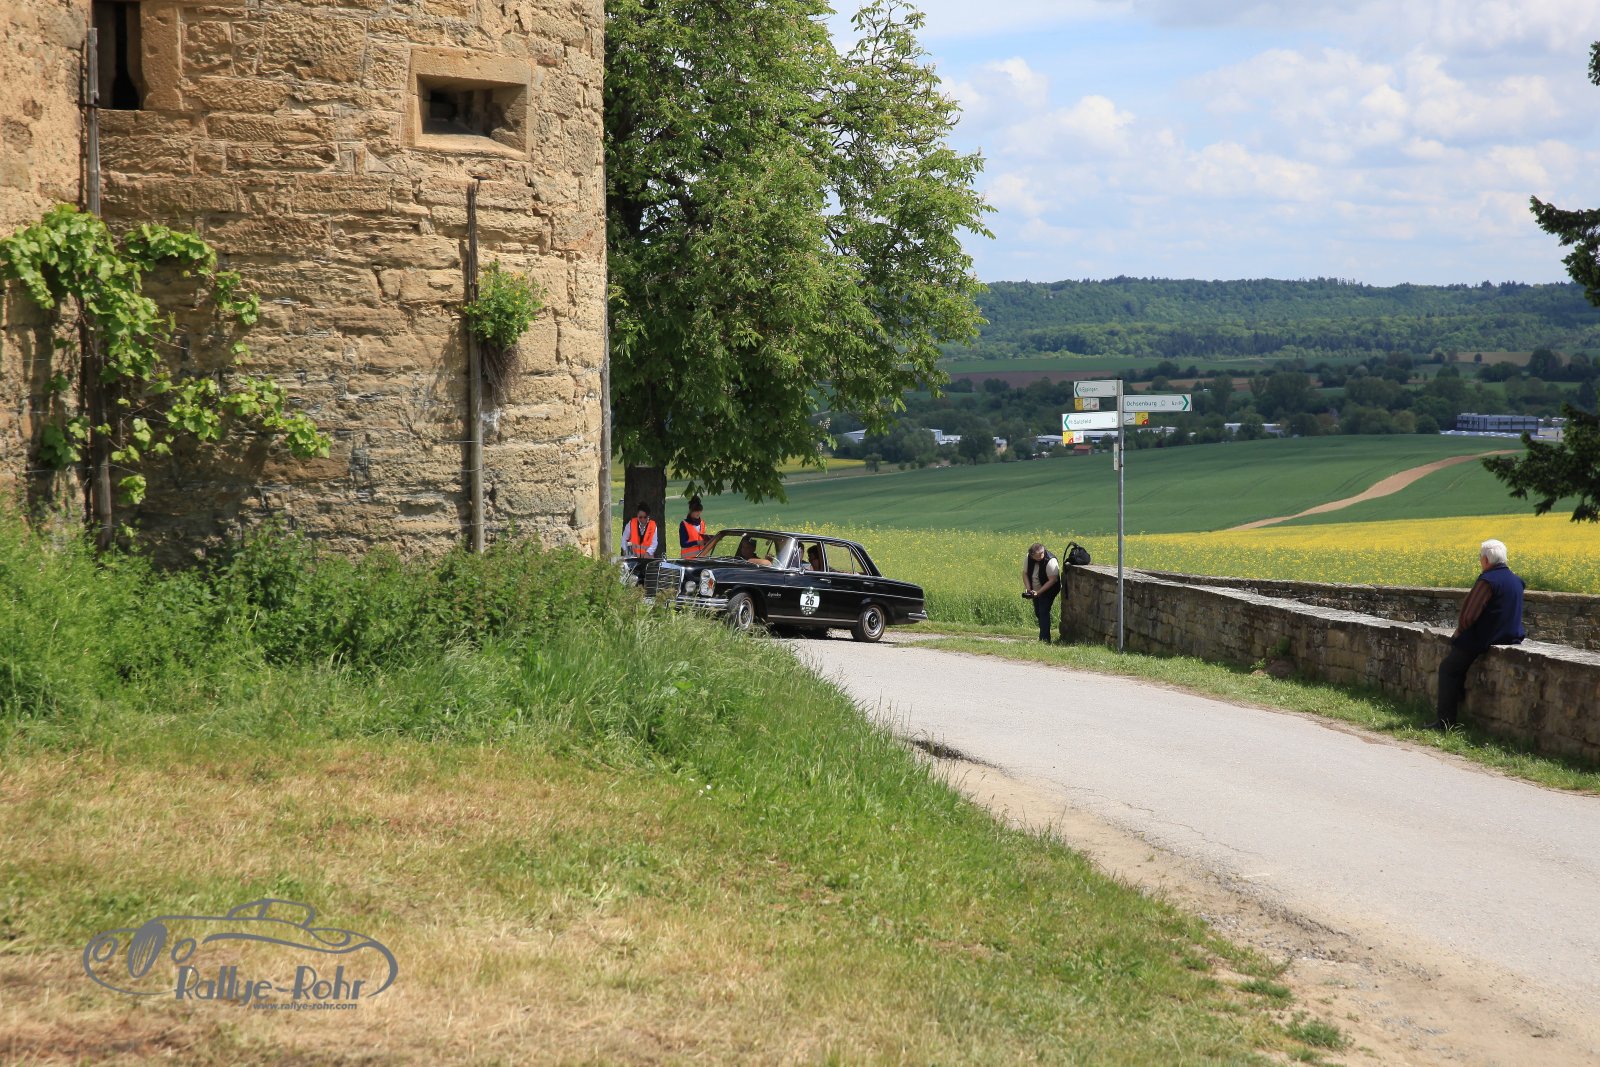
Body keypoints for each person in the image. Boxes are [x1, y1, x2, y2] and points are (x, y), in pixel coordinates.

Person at [1426, 538, 1526, 731]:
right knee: (1457, 667)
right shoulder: (1516, 580)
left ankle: (1445, 723)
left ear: (1486, 560)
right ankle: (1457, 700)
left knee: (1448, 669)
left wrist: (1459, 633)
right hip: (1511, 636)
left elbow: (1468, 616)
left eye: (1481, 557)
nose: (1480, 561)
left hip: (1485, 637)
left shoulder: (1487, 581)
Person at [1021, 542, 1061, 643]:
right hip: (1035, 589)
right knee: (1038, 612)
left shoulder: (1051, 561)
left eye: (1042, 553)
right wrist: (1029, 589)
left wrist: (1039, 592)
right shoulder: (1028, 558)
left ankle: (1044, 640)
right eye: (1038, 555)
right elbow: (1025, 573)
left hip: (1049, 589)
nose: (1041, 556)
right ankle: (1043, 635)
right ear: (1031, 555)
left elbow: (1053, 580)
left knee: (1043, 611)